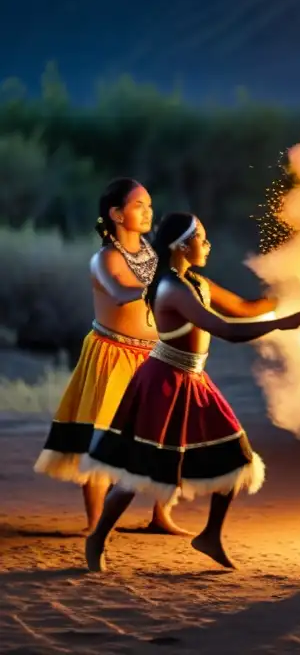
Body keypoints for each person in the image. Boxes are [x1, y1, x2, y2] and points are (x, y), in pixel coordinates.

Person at [81, 213, 300, 572]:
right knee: (138, 472)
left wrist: (288, 289)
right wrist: (284, 323)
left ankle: (210, 535)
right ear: (181, 245)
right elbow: (228, 330)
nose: (207, 245)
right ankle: (97, 537)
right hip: (163, 382)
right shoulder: (171, 289)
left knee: (237, 457)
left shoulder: (197, 283)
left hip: (194, 381)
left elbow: (244, 309)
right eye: (201, 239)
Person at [34, 178, 188, 536]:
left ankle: (161, 515)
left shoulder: (151, 253)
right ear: (117, 214)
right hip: (112, 355)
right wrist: (165, 282)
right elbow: (119, 291)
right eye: (138, 205)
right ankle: (95, 522)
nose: (148, 211)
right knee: (103, 438)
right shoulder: (105, 258)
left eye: (150, 204)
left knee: (167, 436)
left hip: (155, 355)